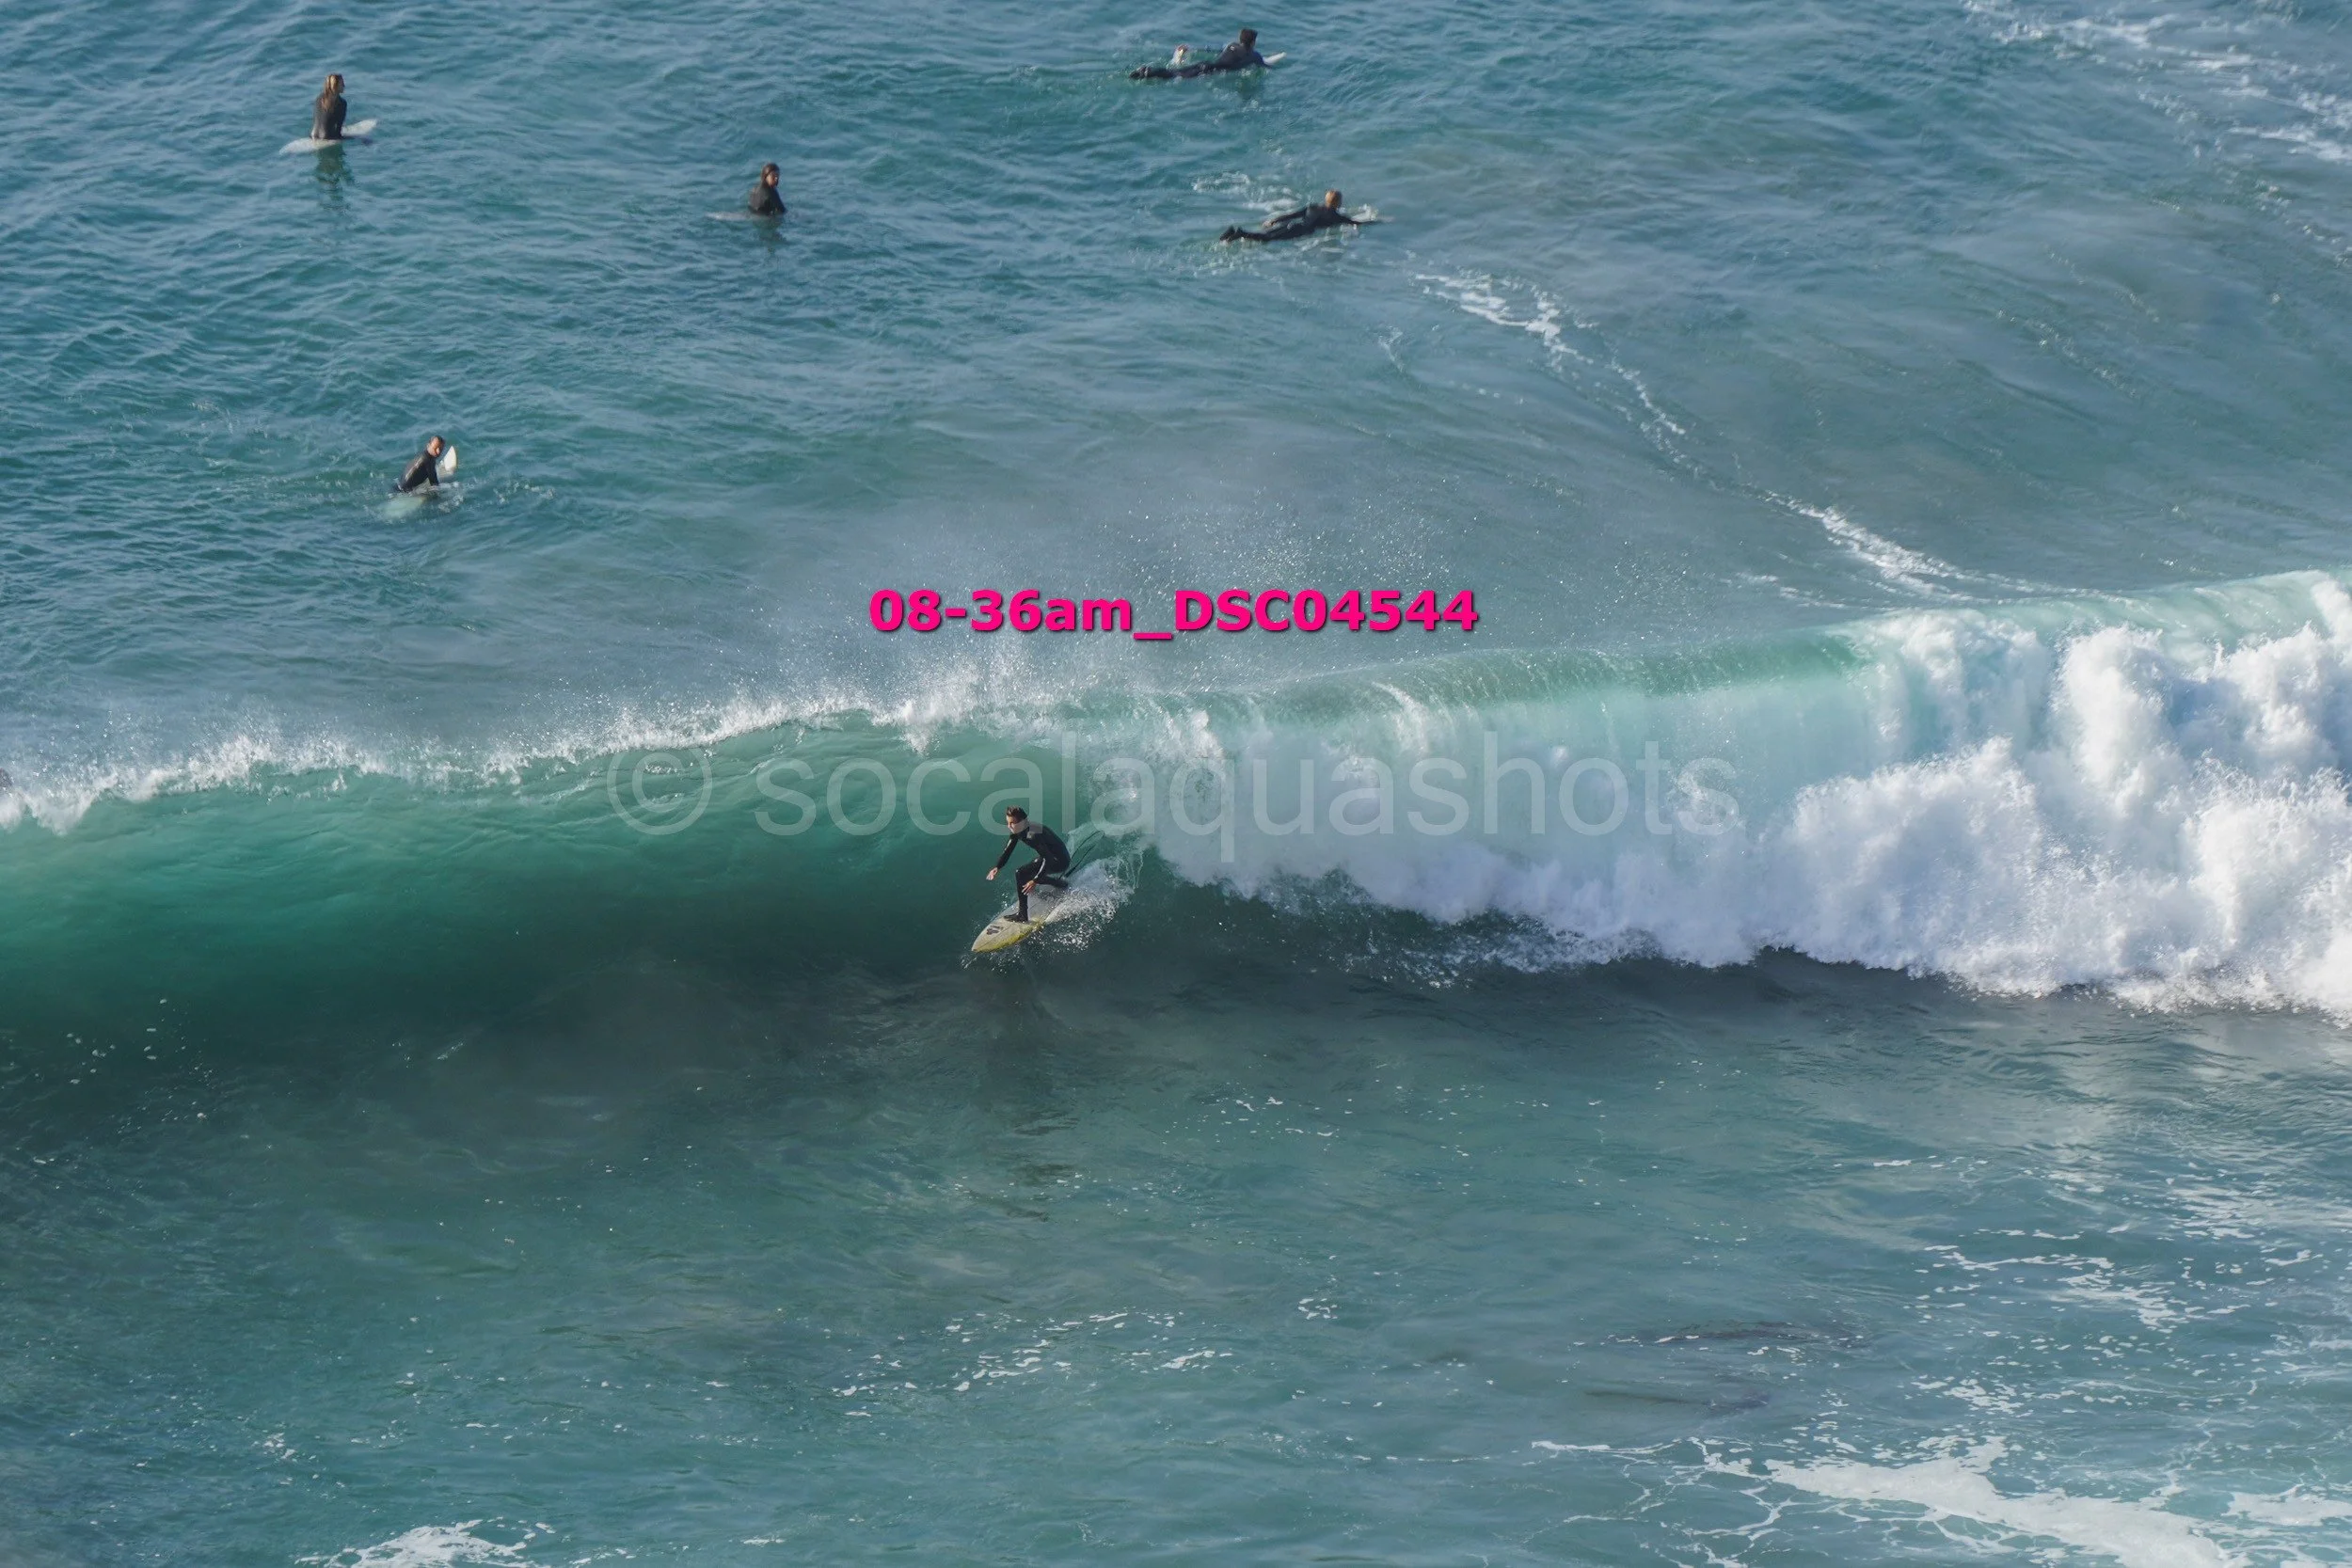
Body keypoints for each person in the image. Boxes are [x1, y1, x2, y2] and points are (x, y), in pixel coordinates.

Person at [987, 806, 1071, 923]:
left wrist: (1035, 880)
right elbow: (1008, 850)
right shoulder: (1020, 830)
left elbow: (1049, 859)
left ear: (1022, 822)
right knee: (1028, 873)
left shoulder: (1033, 834)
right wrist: (997, 867)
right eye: (1007, 823)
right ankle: (1060, 883)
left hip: (1059, 861)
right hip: (1052, 857)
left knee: (1020, 873)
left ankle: (1022, 915)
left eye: (1012, 823)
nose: (1009, 826)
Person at [1220, 189, 1366, 244]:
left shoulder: (1313, 207)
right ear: (1338, 202)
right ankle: (1239, 233)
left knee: (1265, 235)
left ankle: (1232, 233)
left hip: (1292, 224)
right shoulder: (1335, 216)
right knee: (1266, 239)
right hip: (1298, 231)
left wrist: (1274, 220)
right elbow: (1355, 223)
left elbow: (1293, 214)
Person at [1131, 27, 1267, 79]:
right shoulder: (1254, 55)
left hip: (1206, 64)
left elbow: (1211, 48)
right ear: (1253, 42)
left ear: (1240, 38)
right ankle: (1150, 73)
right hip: (1210, 71)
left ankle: (1148, 71)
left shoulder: (1231, 45)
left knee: (1175, 72)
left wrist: (1191, 48)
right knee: (1175, 76)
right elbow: (1265, 66)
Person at [311, 73, 348, 142]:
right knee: (363, 138)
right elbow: (338, 130)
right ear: (335, 86)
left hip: (313, 135)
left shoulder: (319, 98)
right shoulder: (342, 103)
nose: (344, 86)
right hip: (327, 137)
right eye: (342, 84)